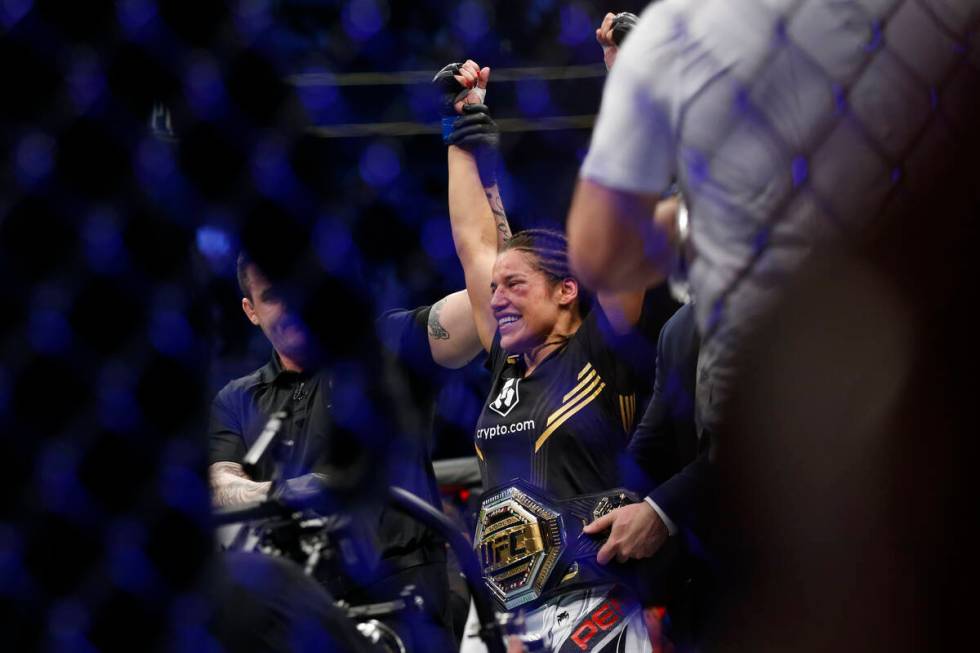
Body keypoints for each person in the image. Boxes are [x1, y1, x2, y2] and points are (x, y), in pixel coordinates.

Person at [442, 59, 674, 653]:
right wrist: (462, 128)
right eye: (495, 290)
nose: (496, 299)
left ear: (567, 289)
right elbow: (476, 247)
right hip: (504, 619)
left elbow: (623, 230)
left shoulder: (604, 346)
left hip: (593, 611)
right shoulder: (504, 368)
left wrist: (627, 81)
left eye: (515, 286)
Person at [208, 253, 457, 652]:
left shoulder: (383, 344)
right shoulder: (237, 397)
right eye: (273, 296)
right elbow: (220, 481)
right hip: (301, 597)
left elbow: (477, 310)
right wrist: (288, 492)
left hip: (401, 582)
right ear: (250, 311)